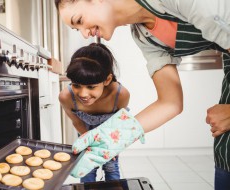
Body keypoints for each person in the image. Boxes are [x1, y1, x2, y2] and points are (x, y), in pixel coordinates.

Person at [55, 0, 230, 189]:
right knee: (226, 152)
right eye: (76, 29)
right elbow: (170, 102)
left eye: (79, 20)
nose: (84, 33)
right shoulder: (144, 36)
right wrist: (115, 136)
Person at [59, 43, 130, 182]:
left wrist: (111, 147)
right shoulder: (66, 97)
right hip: (85, 134)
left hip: (111, 136)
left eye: (91, 86)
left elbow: (119, 123)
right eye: (76, 85)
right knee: (86, 169)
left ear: (107, 80)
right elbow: (77, 122)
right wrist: (89, 144)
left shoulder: (120, 95)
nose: (83, 94)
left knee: (111, 167)